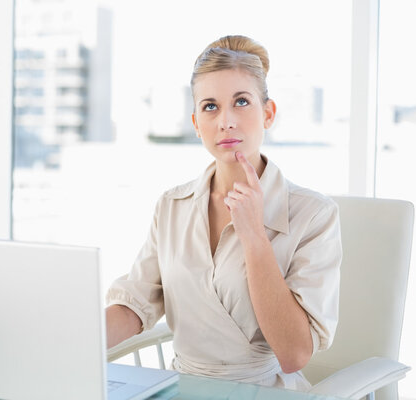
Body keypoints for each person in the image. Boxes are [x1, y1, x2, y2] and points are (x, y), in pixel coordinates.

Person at [105, 35, 342, 390]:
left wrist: (254, 237)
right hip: (183, 389)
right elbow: (134, 306)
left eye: (241, 102)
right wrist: (65, 340)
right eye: (210, 107)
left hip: (265, 392)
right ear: (196, 122)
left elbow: (294, 353)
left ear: (268, 113)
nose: (225, 121)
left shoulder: (314, 215)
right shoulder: (172, 205)